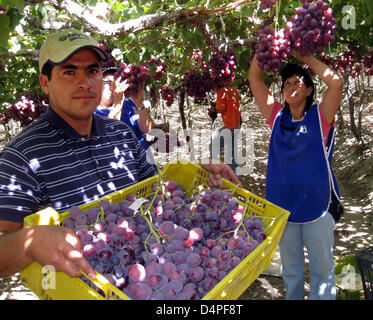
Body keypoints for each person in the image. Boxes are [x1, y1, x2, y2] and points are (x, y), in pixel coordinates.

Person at [0, 28, 241, 280]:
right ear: (45, 83)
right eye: (69, 71)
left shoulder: (121, 134)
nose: (84, 82)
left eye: (92, 71)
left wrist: (195, 172)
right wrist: (29, 242)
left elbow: (155, 192)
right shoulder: (22, 157)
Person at [248, 49, 344, 300]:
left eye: (297, 82)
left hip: (317, 207)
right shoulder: (276, 117)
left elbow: (336, 82)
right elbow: (254, 80)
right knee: (292, 272)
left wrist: (305, 57)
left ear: (309, 90)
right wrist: (265, 46)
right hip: (283, 208)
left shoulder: (320, 117)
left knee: (322, 273)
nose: (290, 87)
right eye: (286, 84)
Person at [95, 66, 154, 151]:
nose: (113, 87)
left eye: (115, 83)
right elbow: (106, 140)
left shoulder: (128, 103)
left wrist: (138, 103)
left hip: (144, 160)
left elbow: (149, 129)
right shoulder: (93, 113)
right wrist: (117, 105)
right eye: (108, 82)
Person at [209, 84, 242, 174]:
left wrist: (213, 109)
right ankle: (234, 175)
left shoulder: (221, 92)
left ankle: (215, 170)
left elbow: (221, 109)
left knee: (214, 144)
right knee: (232, 152)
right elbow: (229, 104)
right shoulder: (233, 89)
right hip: (237, 124)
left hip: (230, 126)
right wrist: (216, 104)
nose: (213, 90)